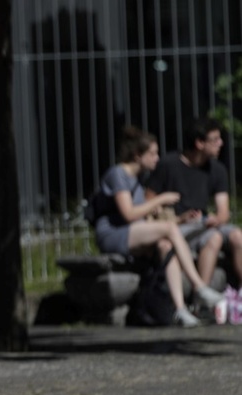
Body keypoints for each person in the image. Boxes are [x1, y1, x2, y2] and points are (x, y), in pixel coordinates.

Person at [95, 126, 225, 326]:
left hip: (132, 232)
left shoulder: (137, 180)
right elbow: (129, 214)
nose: (157, 158)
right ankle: (199, 287)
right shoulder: (118, 174)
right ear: (138, 155)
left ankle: (180, 309)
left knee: (166, 245)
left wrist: (180, 220)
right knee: (168, 232)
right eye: (153, 153)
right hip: (113, 234)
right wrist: (160, 199)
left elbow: (146, 221)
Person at [146, 117, 242, 290]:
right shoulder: (168, 164)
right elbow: (148, 200)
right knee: (214, 238)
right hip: (177, 225)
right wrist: (171, 212)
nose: (221, 143)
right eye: (215, 140)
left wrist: (217, 219)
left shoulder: (217, 169)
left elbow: (224, 212)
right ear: (199, 143)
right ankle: (202, 295)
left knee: (238, 236)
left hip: (203, 223)